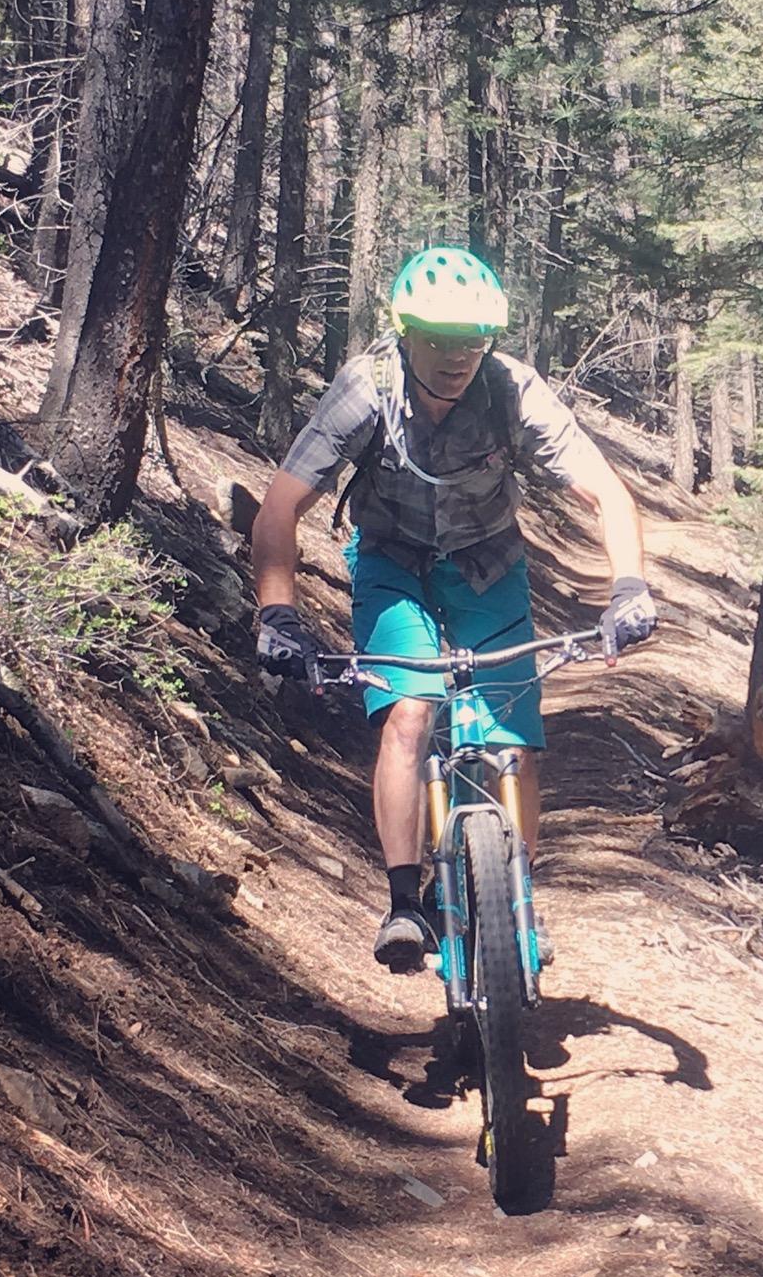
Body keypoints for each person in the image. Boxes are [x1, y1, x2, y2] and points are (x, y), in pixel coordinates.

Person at [248, 246, 657, 972]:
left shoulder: (512, 391)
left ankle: (515, 904)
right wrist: (276, 611)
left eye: (471, 342)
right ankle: (406, 903)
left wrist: (628, 586)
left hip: (488, 567)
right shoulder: (365, 390)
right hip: (392, 564)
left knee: (512, 745)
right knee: (409, 714)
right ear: (405, 332)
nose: (455, 357)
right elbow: (281, 505)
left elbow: (606, 492)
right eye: (437, 341)